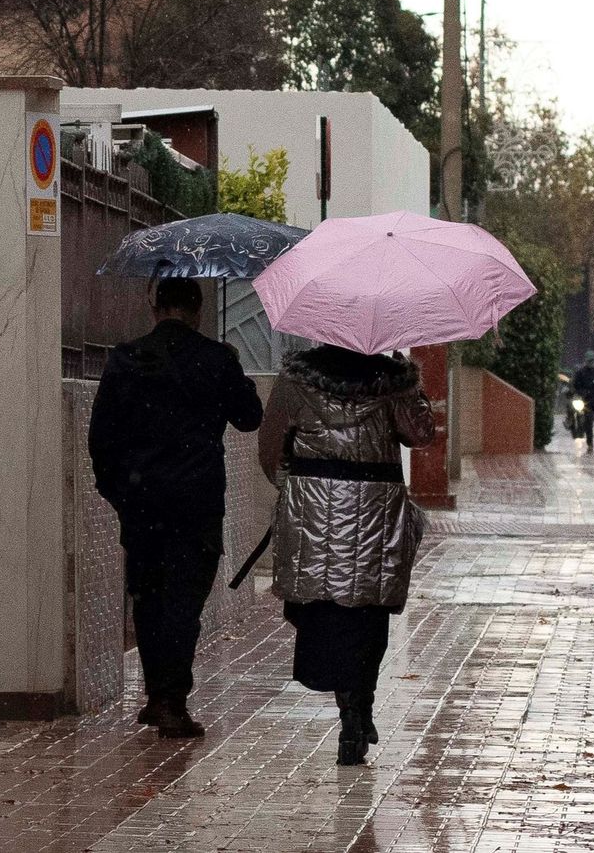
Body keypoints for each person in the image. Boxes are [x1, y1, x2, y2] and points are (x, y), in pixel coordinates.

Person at [88, 277, 263, 738]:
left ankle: (158, 696)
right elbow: (250, 418)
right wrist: (235, 369)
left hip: (142, 503)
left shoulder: (125, 359)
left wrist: (120, 495)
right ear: (198, 310)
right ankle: (170, 701)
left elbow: (100, 438)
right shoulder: (216, 359)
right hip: (196, 505)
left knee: (147, 599)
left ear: (155, 306)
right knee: (184, 602)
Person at [258, 345, 435, 765]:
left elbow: (270, 446)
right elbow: (421, 433)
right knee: (367, 616)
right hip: (376, 515)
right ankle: (358, 712)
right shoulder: (393, 381)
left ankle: (351, 713)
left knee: (327, 612)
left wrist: (293, 485)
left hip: (314, 515)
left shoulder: (297, 380)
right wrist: (411, 382)